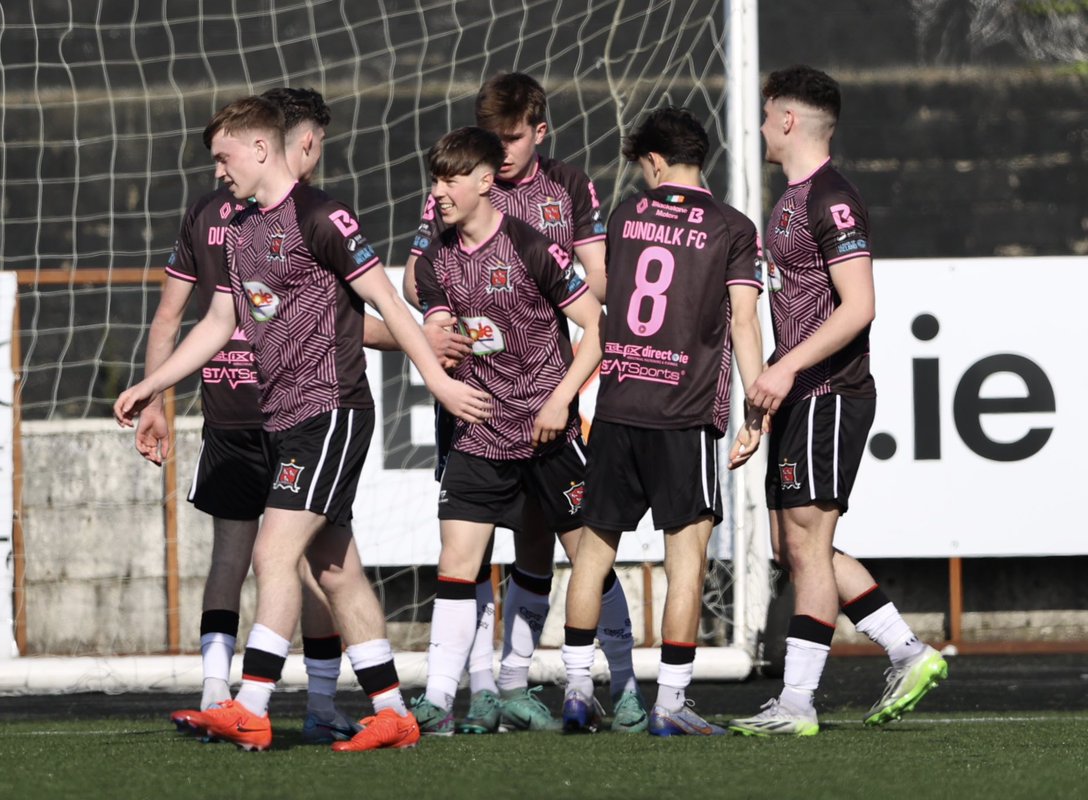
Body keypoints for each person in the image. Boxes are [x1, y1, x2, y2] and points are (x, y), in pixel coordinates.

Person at [114, 92, 491, 752]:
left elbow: (390, 303)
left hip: (332, 411)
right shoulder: (242, 233)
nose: (218, 170)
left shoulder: (323, 217)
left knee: (271, 552)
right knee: (336, 569)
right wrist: (153, 383)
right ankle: (394, 712)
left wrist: (438, 381)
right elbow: (219, 323)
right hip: (286, 417)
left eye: (224, 156)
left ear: (261, 148)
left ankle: (251, 705)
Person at [403, 72, 643, 734]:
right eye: (493, 140)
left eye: (512, 138)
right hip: (478, 412)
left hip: (546, 405)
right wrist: (434, 324)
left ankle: (605, 683)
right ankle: (468, 691)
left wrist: (546, 295)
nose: (502, 151)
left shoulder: (559, 198)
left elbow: (596, 296)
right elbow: (419, 280)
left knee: (575, 546)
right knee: (466, 553)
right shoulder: (451, 204)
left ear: (538, 132)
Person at [730, 65, 947, 737]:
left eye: (768, 116)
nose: (761, 128)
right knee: (791, 545)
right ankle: (908, 652)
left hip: (830, 392)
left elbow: (860, 307)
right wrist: (763, 403)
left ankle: (796, 703)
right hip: (799, 395)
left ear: (788, 121)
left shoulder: (832, 198)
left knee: (808, 544)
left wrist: (784, 367)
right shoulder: (791, 199)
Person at [559, 108, 766, 735]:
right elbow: (745, 321)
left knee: (592, 554)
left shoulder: (625, 217)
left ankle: (574, 691)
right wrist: (756, 406)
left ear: (653, 161)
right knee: (688, 557)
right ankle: (670, 707)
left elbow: (610, 309)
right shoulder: (732, 226)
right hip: (684, 413)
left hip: (619, 408)